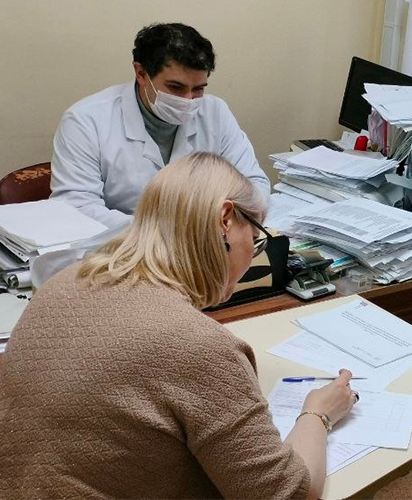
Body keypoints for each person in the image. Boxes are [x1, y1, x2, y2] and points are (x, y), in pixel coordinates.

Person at [0, 153, 353, 498]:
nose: (253, 252)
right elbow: (287, 492)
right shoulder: (198, 346)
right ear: (226, 220)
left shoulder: (65, 281)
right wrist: (318, 413)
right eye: (257, 237)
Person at [50, 23, 269, 228]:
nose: (188, 100)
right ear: (141, 74)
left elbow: (253, 186)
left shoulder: (215, 113)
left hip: (204, 242)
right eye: (176, 87)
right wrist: (166, 233)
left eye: (199, 89)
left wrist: (224, 220)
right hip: (121, 246)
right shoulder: (85, 121)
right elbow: (77, 208)